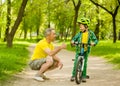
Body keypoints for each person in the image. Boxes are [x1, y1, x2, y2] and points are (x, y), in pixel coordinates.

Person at [70, 17, 98, 82]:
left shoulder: (90, 33)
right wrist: (73, 41)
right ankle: (74, 75)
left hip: (86, 50)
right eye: (79, 26)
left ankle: (83, 76)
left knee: (84, 63)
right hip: (79, 49)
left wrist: (93, 43)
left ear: (86, 26)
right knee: (76, 62)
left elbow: (95, 40)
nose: (80, 28)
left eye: (81, 26)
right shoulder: (79, 33)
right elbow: (74, 38)